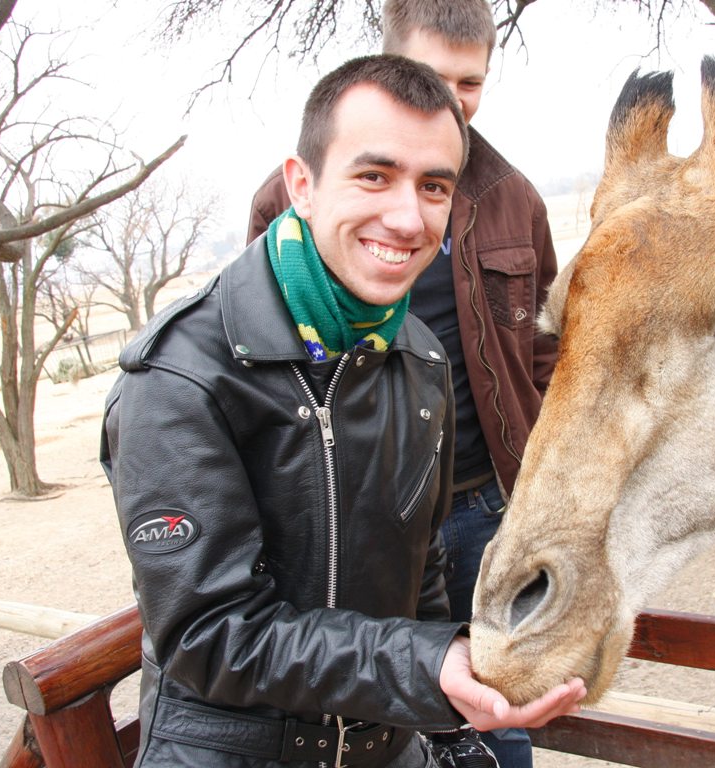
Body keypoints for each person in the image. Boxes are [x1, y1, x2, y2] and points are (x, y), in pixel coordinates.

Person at [101, 54, 584, 768]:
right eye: (374, 176)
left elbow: (421, 570)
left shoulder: (417, 358)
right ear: (302, 184)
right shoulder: (181, 376)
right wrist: (425, 666)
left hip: (385, 747)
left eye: (434, 186)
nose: (408, 217)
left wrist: (449, 713)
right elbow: (211, 635)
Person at [248, 6, 559, 761]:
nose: (451, 98)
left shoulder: (515, 196)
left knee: (500, 704)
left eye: (470, 82)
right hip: (363, 513)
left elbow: (545, 350)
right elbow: (264, 353)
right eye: (432, 75)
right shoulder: (286, 201)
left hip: (487, 506)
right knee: (381, 706)